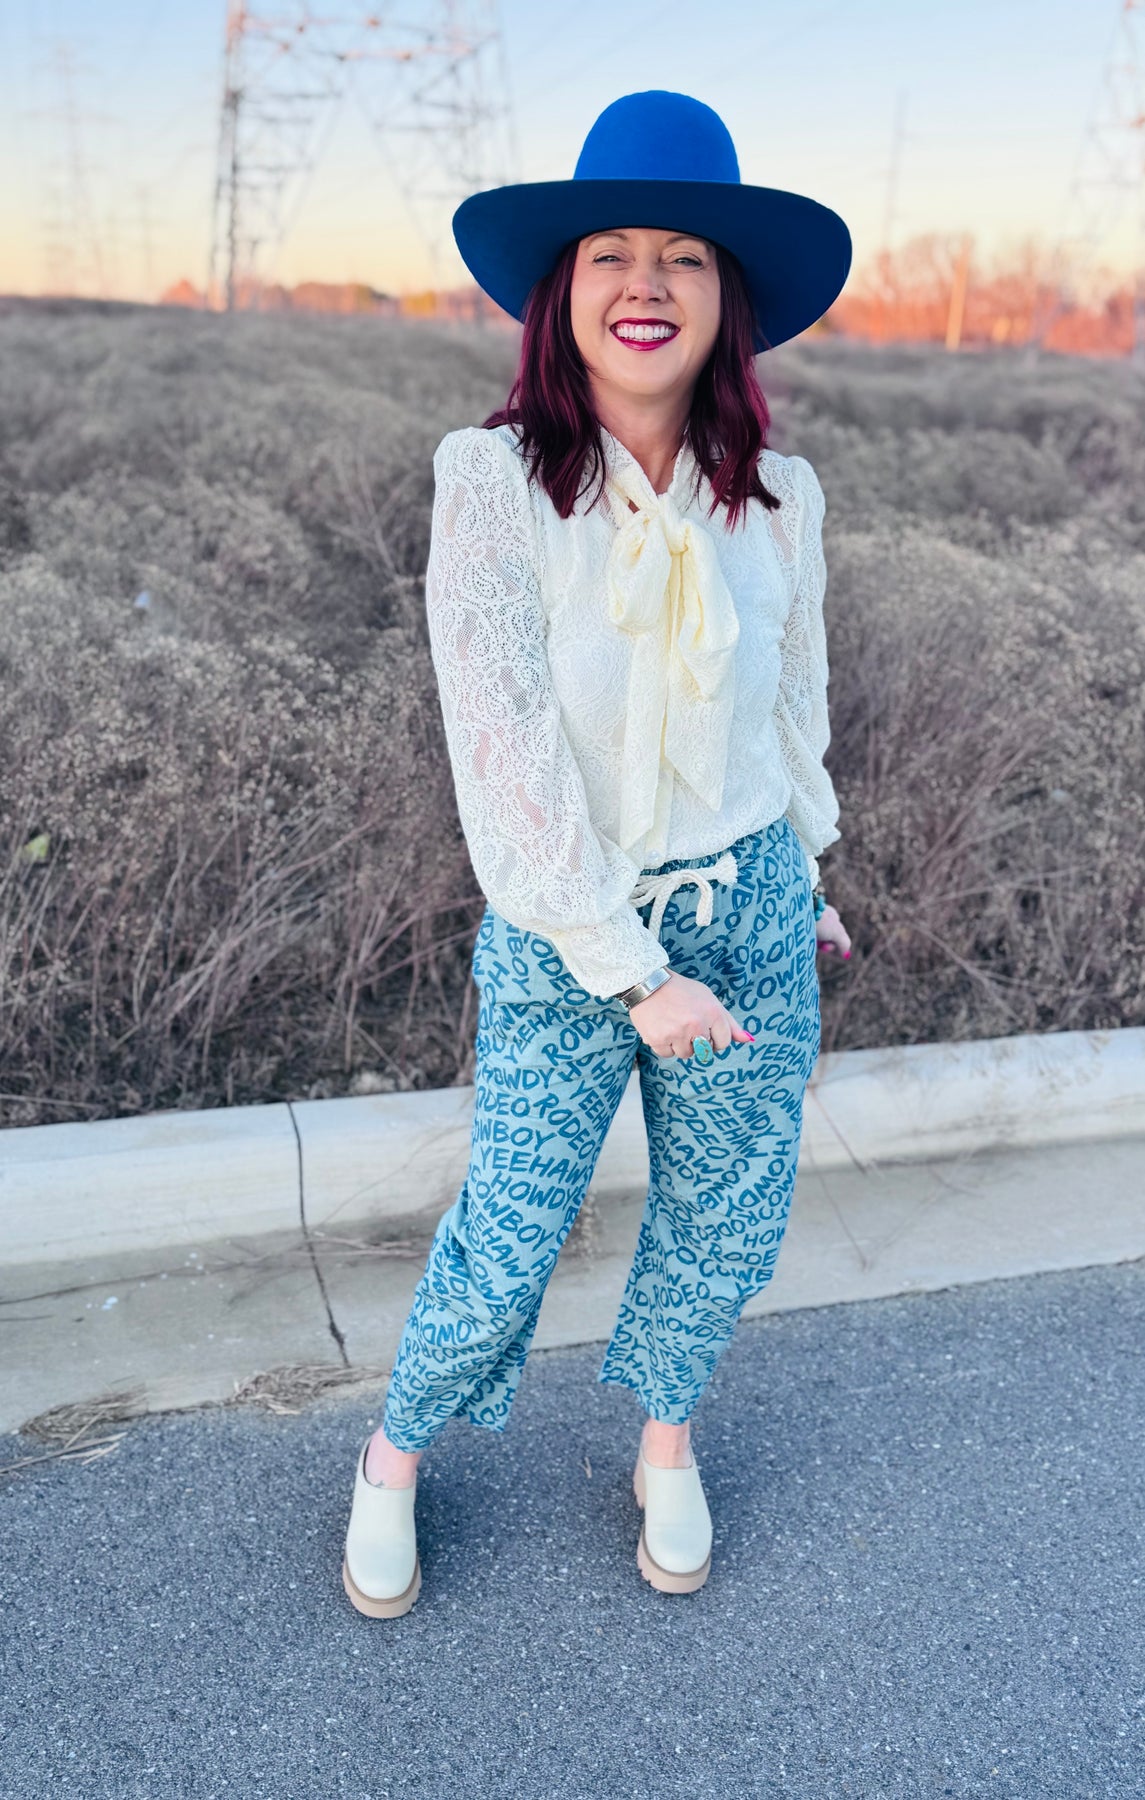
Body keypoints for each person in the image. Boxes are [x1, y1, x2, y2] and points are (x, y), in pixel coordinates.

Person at [342, 89, 854, 1617]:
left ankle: (664, 1444)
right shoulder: (492, 481)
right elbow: (502, 757)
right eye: (611, 253)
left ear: (726, 299)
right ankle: (391, 1458)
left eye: (684, 256)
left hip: (749, 906)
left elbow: (794, 707)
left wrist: (808, 873)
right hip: (569, 929)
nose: (646, 283)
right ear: (561, 290)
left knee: (724, 1217)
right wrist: (633, 975)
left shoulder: (781, 498)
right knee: (509, 1233)